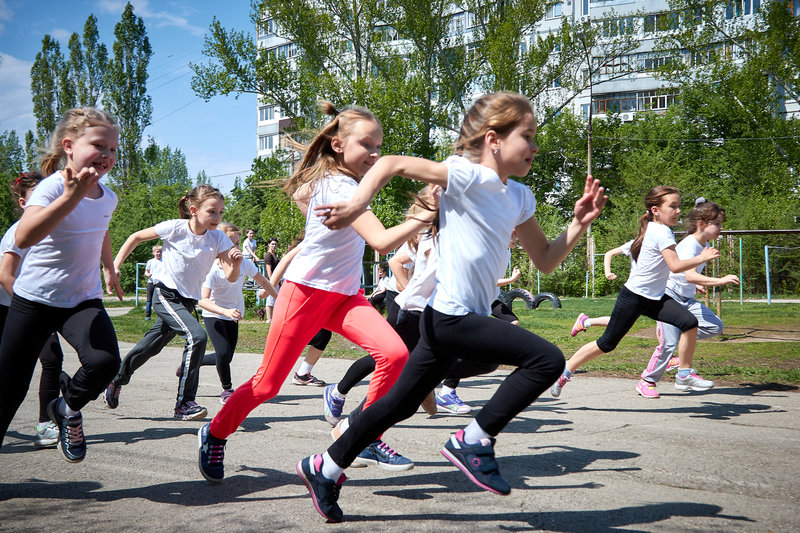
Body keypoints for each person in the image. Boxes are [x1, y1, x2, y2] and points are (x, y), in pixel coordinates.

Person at [296, 92, 606, 522]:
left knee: (399, 404)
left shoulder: (520, 197)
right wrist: (356, 204)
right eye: (528, 136)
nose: (535, 146)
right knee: (547, 360)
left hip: (453, 321)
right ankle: (473, 440)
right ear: (494, 139)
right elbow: (391, 164)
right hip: (450, 316)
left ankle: (325, 467)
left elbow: (546, 260)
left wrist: (578, 224)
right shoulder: (465, 175)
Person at [197, 102, 436, 484]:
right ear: (339, 145)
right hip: (305, 294)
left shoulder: (336, 181)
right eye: (367, 145)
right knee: (267, 385)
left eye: (378, 146)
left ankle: (364, 434)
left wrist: (315, 226)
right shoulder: (341, 187)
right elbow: (382, 242)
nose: (375, 154)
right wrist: (426, 214)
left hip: (345, 296)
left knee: (394, 354)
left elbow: (300, 195)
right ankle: (215, 432)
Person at [0, 107, 123, 463]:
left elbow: (100, 231)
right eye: (98, 145)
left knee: (104, 362)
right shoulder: (53, 187)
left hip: (82, 299)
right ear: (69, 146)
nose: (107, 155)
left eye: (113, 149)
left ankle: (65, 408)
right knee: (9, 391)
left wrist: (110, 268)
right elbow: (24, 236)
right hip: (35, 301)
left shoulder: (109, 196)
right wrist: (70, 197)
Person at [551, 186, 720, 399]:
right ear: (656, 210)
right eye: (673, 206)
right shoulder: (661, 231)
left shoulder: (658, 229)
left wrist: (694, 281)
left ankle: (684, 374)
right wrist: (702, 257)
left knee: (689, 322)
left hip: (655, 298)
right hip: (634, 297)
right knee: (606, 343)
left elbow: (668, 268)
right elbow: (675, 266)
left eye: (679, 206)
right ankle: (565, 371)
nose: (678, 211)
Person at [104, 185, 242, 420]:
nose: (217, 217)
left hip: (186, 302)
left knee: (151, 346)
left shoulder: (218, 237)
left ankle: (116, 379)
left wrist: (236, 264)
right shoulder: (175, 228)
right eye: (211, 212)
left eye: (220, 212)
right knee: (197, 336)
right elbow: (135, 237)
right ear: (193, 210)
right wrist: (114, 266)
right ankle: (185, 403)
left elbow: (230, 276)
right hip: (165, 294)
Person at [637, 198, 739, 398]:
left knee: (714, 326)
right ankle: (647, 381)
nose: (720, 228)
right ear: (701, 224)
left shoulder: (704, 244)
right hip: (668, 297)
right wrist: (720, 280)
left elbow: (688, 275)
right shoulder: (690, 245)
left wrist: (697, 284)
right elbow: (689, 275)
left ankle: (682, 375)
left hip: (685, 297)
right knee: (668, 344)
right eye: (717, 224)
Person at [0, 172, 65, 448]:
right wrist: (32, 313)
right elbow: (5, 277)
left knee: (52, 358)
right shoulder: (17, 232)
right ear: (24, 202)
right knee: (11, 373)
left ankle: (44, 424)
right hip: (8, 306)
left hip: (33, 308)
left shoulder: (53, 230)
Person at [196, 222, 277, 404]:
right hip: (214, 314)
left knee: (227, 356)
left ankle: (196, 360)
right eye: (230, 244)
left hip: (233, 314)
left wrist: (280, 300)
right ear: (219, 245)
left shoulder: (244, 263)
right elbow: (202, 300)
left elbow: (264, 282)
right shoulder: (211, 268)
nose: (235, 248)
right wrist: (224, 311)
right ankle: (227, 390)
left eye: (237, 243)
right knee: (223, 353)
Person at [569, 242, 630, 336]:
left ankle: (585, 322)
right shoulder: (637, 243)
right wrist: (607, 272)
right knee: (621, 322)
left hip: (650, 292)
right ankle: (585, 322)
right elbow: (609, 253)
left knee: (622, 322)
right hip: (636, 291)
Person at [144, 244, 163, 320]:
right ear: (153, 253)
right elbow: (146, 271)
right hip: (151, 282)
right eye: (157, 252)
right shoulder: (150, 261)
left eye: (160, 252)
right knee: (149, 299)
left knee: (159, 300)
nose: (158, 253)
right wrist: (148, 274)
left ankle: (160, 315)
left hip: (160, 283)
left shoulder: (164, 261)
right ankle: (147, 315)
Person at [263, 237, 279, 322]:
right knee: (270, 299)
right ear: (269, 244)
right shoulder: (268, 255)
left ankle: (274, 318)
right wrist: (272, 281)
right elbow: (268, 268)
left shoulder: (274, 254)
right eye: (272, 244)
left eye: (275, 244)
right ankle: (269, 318)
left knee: (276, 298)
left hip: (276, 279)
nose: (274, 246)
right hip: (270, 280)